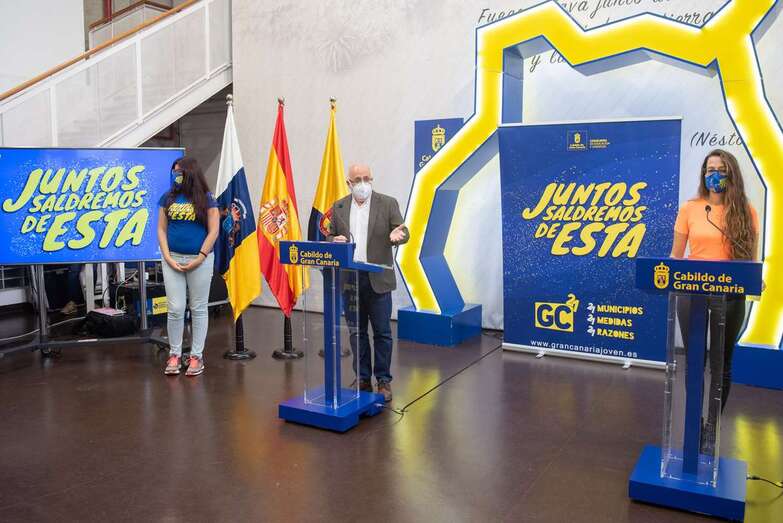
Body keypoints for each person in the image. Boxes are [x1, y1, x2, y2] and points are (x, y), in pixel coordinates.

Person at [670, 149, 760, 415]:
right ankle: (694, 423)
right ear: (703, 174)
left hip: (729, 296)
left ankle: (712, 424)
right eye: (710, 170)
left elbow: (750, 261)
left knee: (721, 365)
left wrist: (755, 279)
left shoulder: (746, 211)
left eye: (721, 170)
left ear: (732, 174)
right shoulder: (690, 208)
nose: (715, 175)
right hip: (692, 292)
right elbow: (676, 257)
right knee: (694, 362)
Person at [328, 164, 409, 402]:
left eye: (367, 178)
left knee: (382, 332)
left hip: (378, 278)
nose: (363, 184)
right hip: (350, 279)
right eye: (358, 180)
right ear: (349, 183)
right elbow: (329, 234)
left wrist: (398, 237)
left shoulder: (388, 203)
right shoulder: (339, 206)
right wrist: (333, 240)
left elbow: (403, 231)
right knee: (357, 332)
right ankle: (362, 378)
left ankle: (383, 380)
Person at [158, 157, 219, 377]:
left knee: (198, 308)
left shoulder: (207, 199)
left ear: (191, 173)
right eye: (174, 172)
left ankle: (196, 356)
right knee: (175, 308)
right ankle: (174, 354)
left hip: (200, 261)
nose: (176, 175)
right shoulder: (168, 197)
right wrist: (167, 256)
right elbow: (161, 229)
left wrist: (201, 257)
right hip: (172, 259)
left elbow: (214, 230)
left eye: (180, 172)